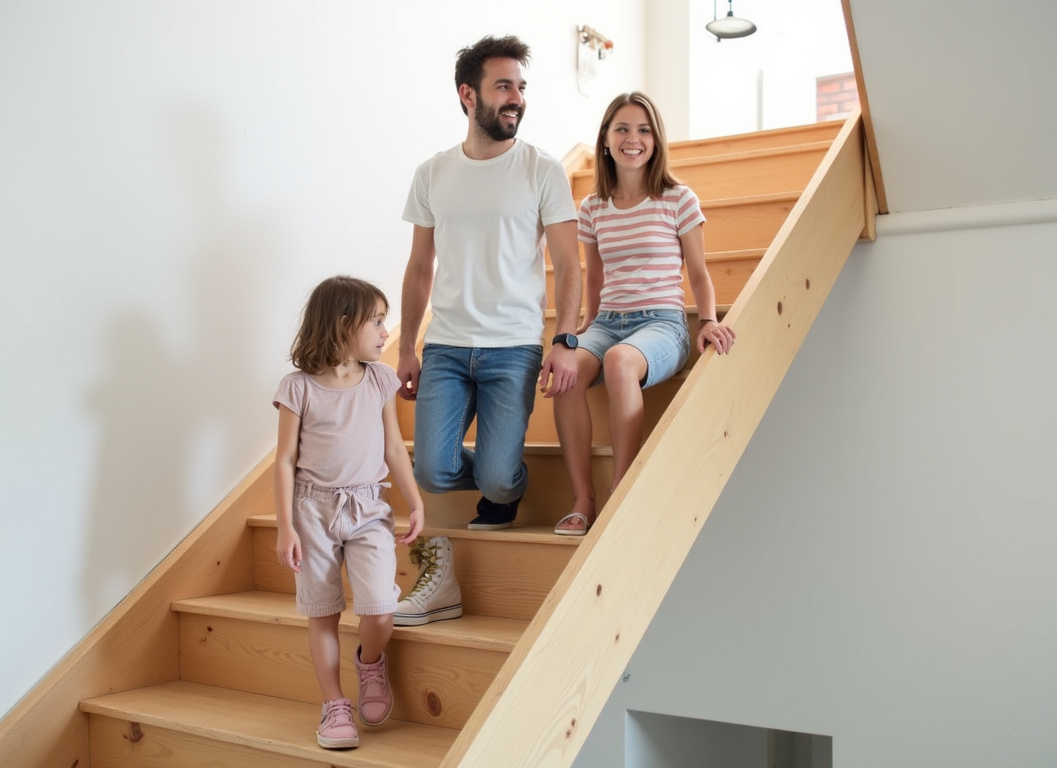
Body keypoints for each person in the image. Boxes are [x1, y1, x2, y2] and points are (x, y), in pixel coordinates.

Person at [398, 34, 582, 531]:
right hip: (446, 347)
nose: (517, 98)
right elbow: (419, 267)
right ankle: (496, 469)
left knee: (499, 480)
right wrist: (407, 348)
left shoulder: (542, 170)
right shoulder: (432, 173)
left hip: (514, 346)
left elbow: (569, 264)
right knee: (431, 471)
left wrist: (565, 339)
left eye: (521, 87)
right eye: (504, 86)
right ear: (468, 95)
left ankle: (506, 485)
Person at [552, 92, 737, 536]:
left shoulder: (678, 198)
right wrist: (585, 327)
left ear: (655, 141)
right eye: (622, 129)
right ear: (605, 139)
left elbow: (698, 273)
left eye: (643, 130)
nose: (632, 139)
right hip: (608, 322)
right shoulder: (592, 207)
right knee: (563, 372)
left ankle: (623, 491)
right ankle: (583, 498)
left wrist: (708, 320)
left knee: (619, 362)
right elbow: (593, 278)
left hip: (662, 324)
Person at [272, 276, 425, 749]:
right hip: (311, 512)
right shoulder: (297, 388)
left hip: (367, 507)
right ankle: (334, 704)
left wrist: (415, 501)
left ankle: (370, 661)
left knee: (380, 609)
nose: (385, 331)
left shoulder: (379, 380)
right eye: (377, 321)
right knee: (323, 612)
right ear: (343, 324)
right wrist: (284, 527)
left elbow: (394, 450)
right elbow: (283, 461)